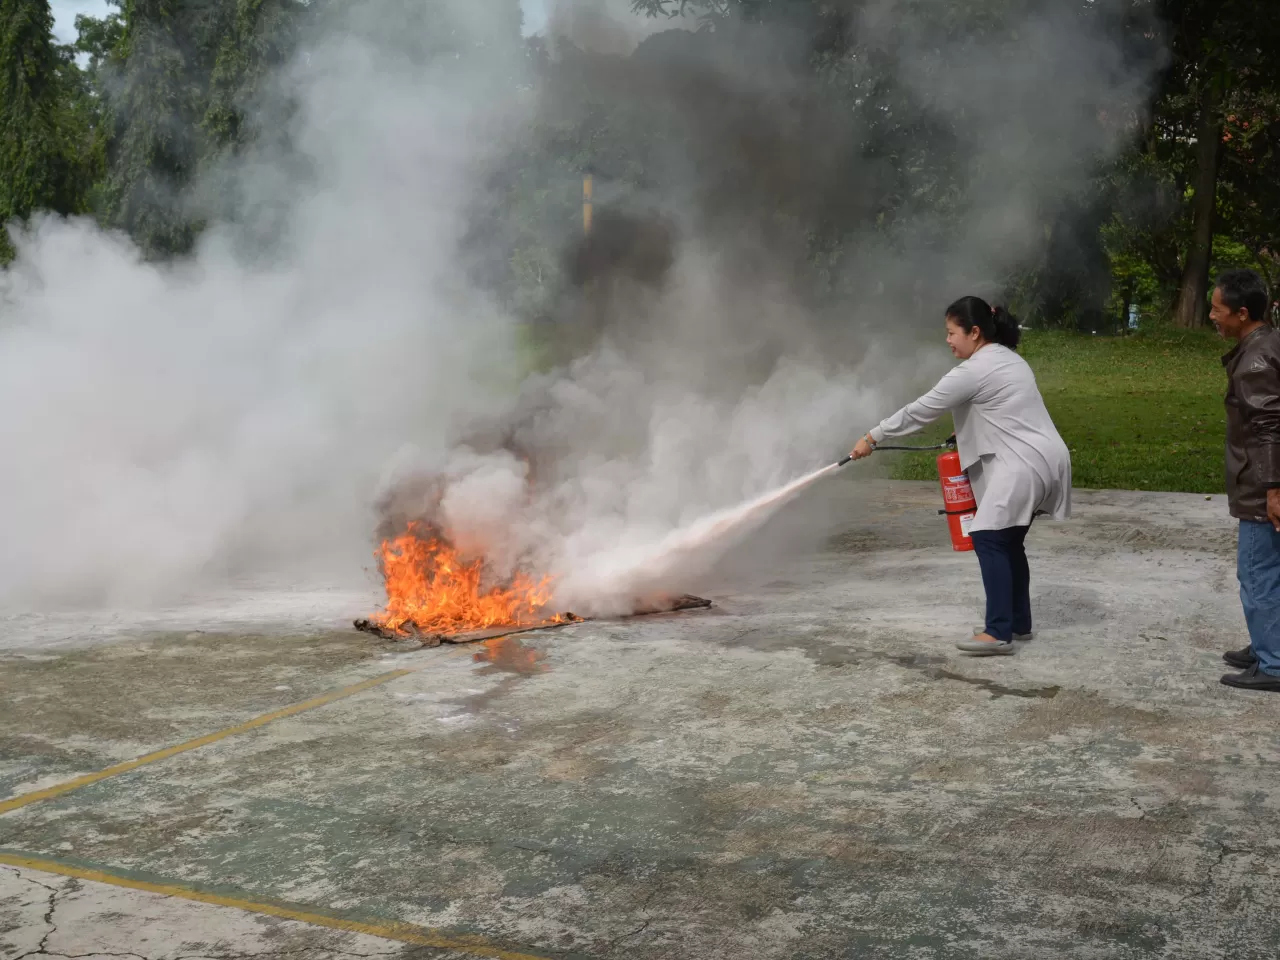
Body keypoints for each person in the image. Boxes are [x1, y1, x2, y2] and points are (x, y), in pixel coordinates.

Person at [849, 296, 1071, 655]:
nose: (948, 340)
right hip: (1047, 457)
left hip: (1023, 464)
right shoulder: (1007, 359)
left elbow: (919, 410)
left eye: (953, 333)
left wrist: (872, 437)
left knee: (987, 535)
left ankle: (997, 632)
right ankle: (1017, 622)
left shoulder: (973, 371)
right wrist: (965, 430)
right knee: (1009, 540)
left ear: (975, 332)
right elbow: (1004, 407)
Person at [1212, 269, 1280, 693]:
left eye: (1218, 309)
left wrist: (1274, 489)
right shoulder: (1268, 343)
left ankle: (1273, 663)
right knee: (1270, 571)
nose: (1213, 316)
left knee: (1258, 573)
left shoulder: (1255, 360)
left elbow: (1268, 427)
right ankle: (1266, 644)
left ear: (1241, 313)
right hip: (1262, 481)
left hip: (1261, 486)